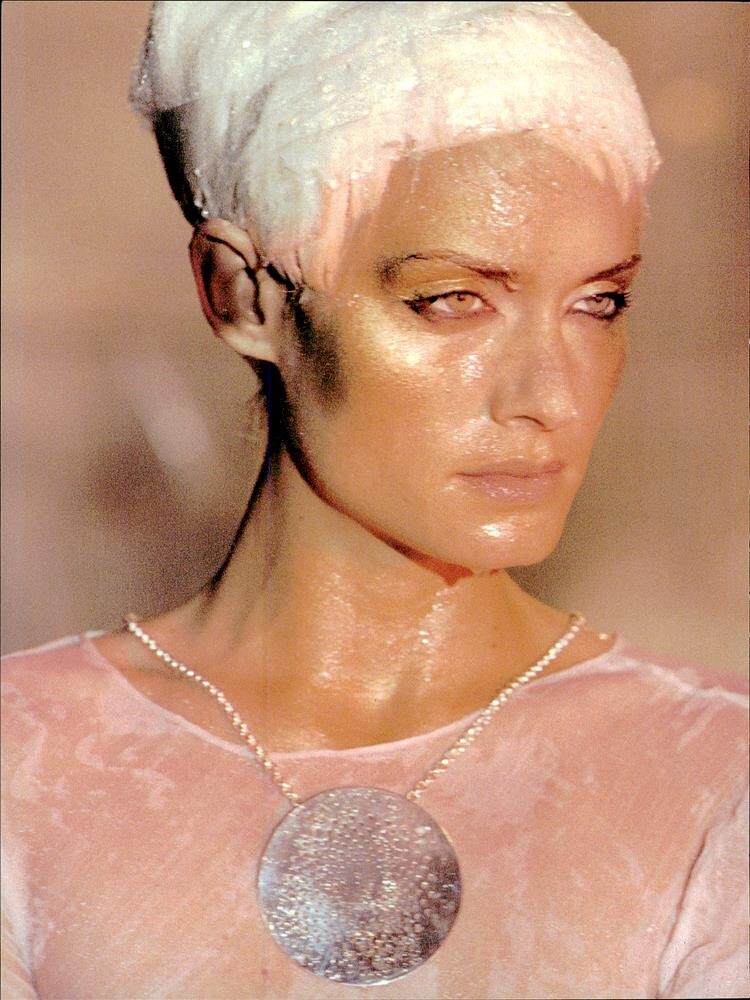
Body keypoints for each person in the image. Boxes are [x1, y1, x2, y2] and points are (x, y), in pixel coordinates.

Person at [1, 2, 747, 998]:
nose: (551, 398)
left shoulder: (712, 776)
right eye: (452, 301)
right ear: (244, 295)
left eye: (597, 304)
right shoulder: (26, 767)